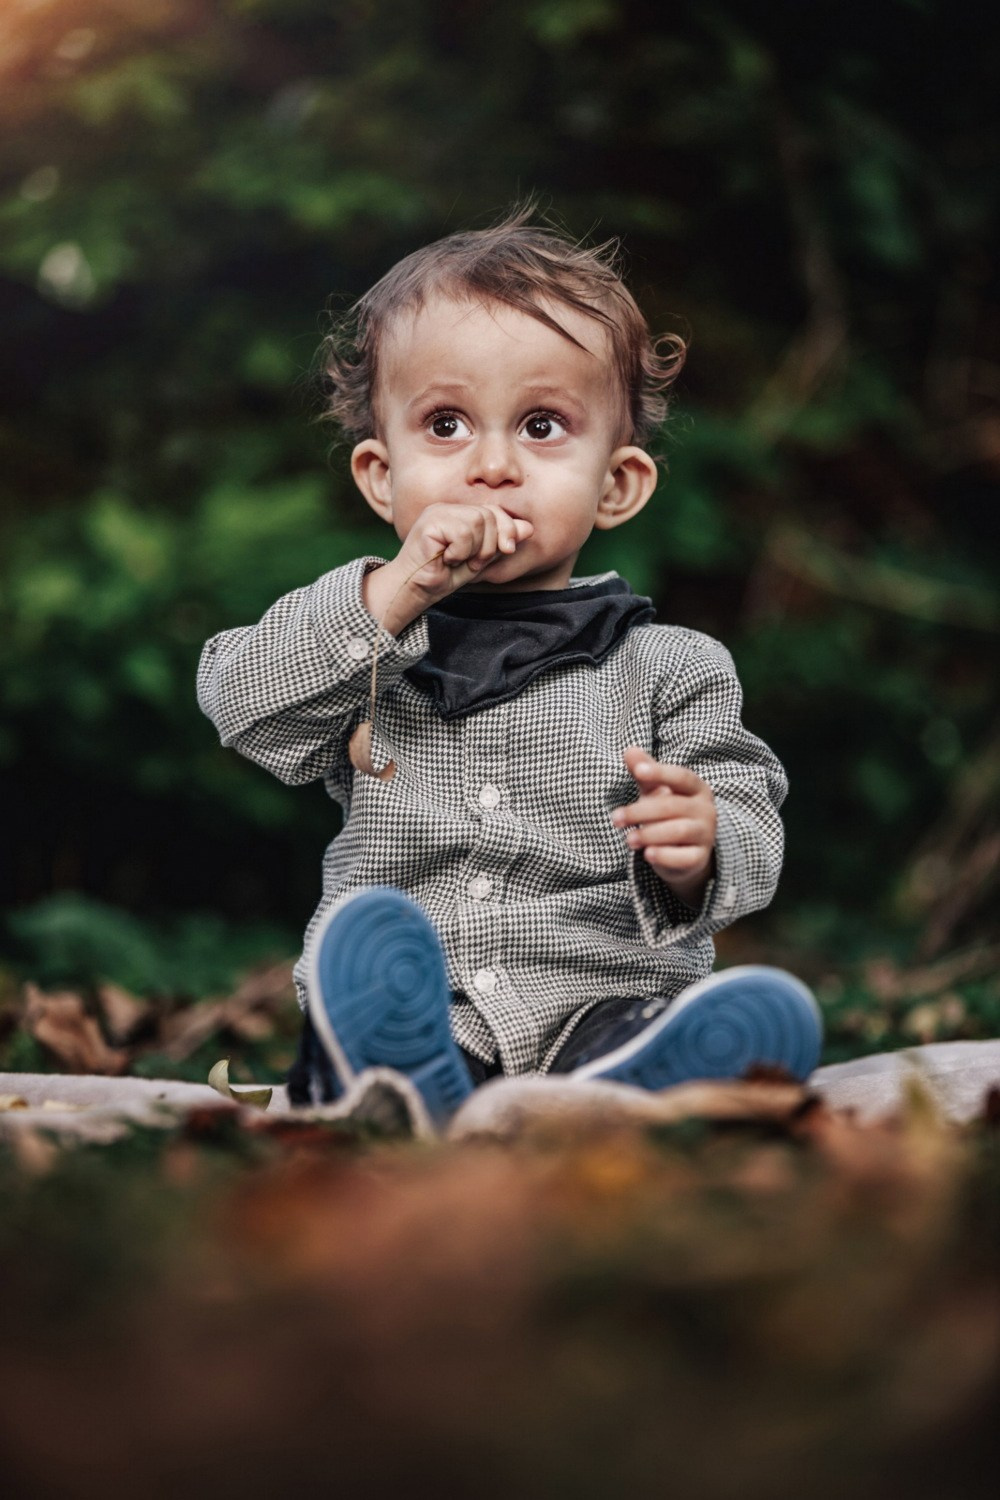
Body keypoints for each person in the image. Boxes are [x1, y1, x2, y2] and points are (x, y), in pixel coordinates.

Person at [196, 208, 822, 1122]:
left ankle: (632, 1077)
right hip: (429, 1004)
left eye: (541, 425)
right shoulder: (360, 649)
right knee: (375, 982)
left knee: (631, 1026)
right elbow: (240, 706)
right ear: (381, 476)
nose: (491, 465)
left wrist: (703, 842)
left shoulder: (669, 665)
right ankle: (390, 1077)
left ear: (617, 485)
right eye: (445, 424)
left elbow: (750, 815)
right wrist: (397, 588)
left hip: (599, 999)